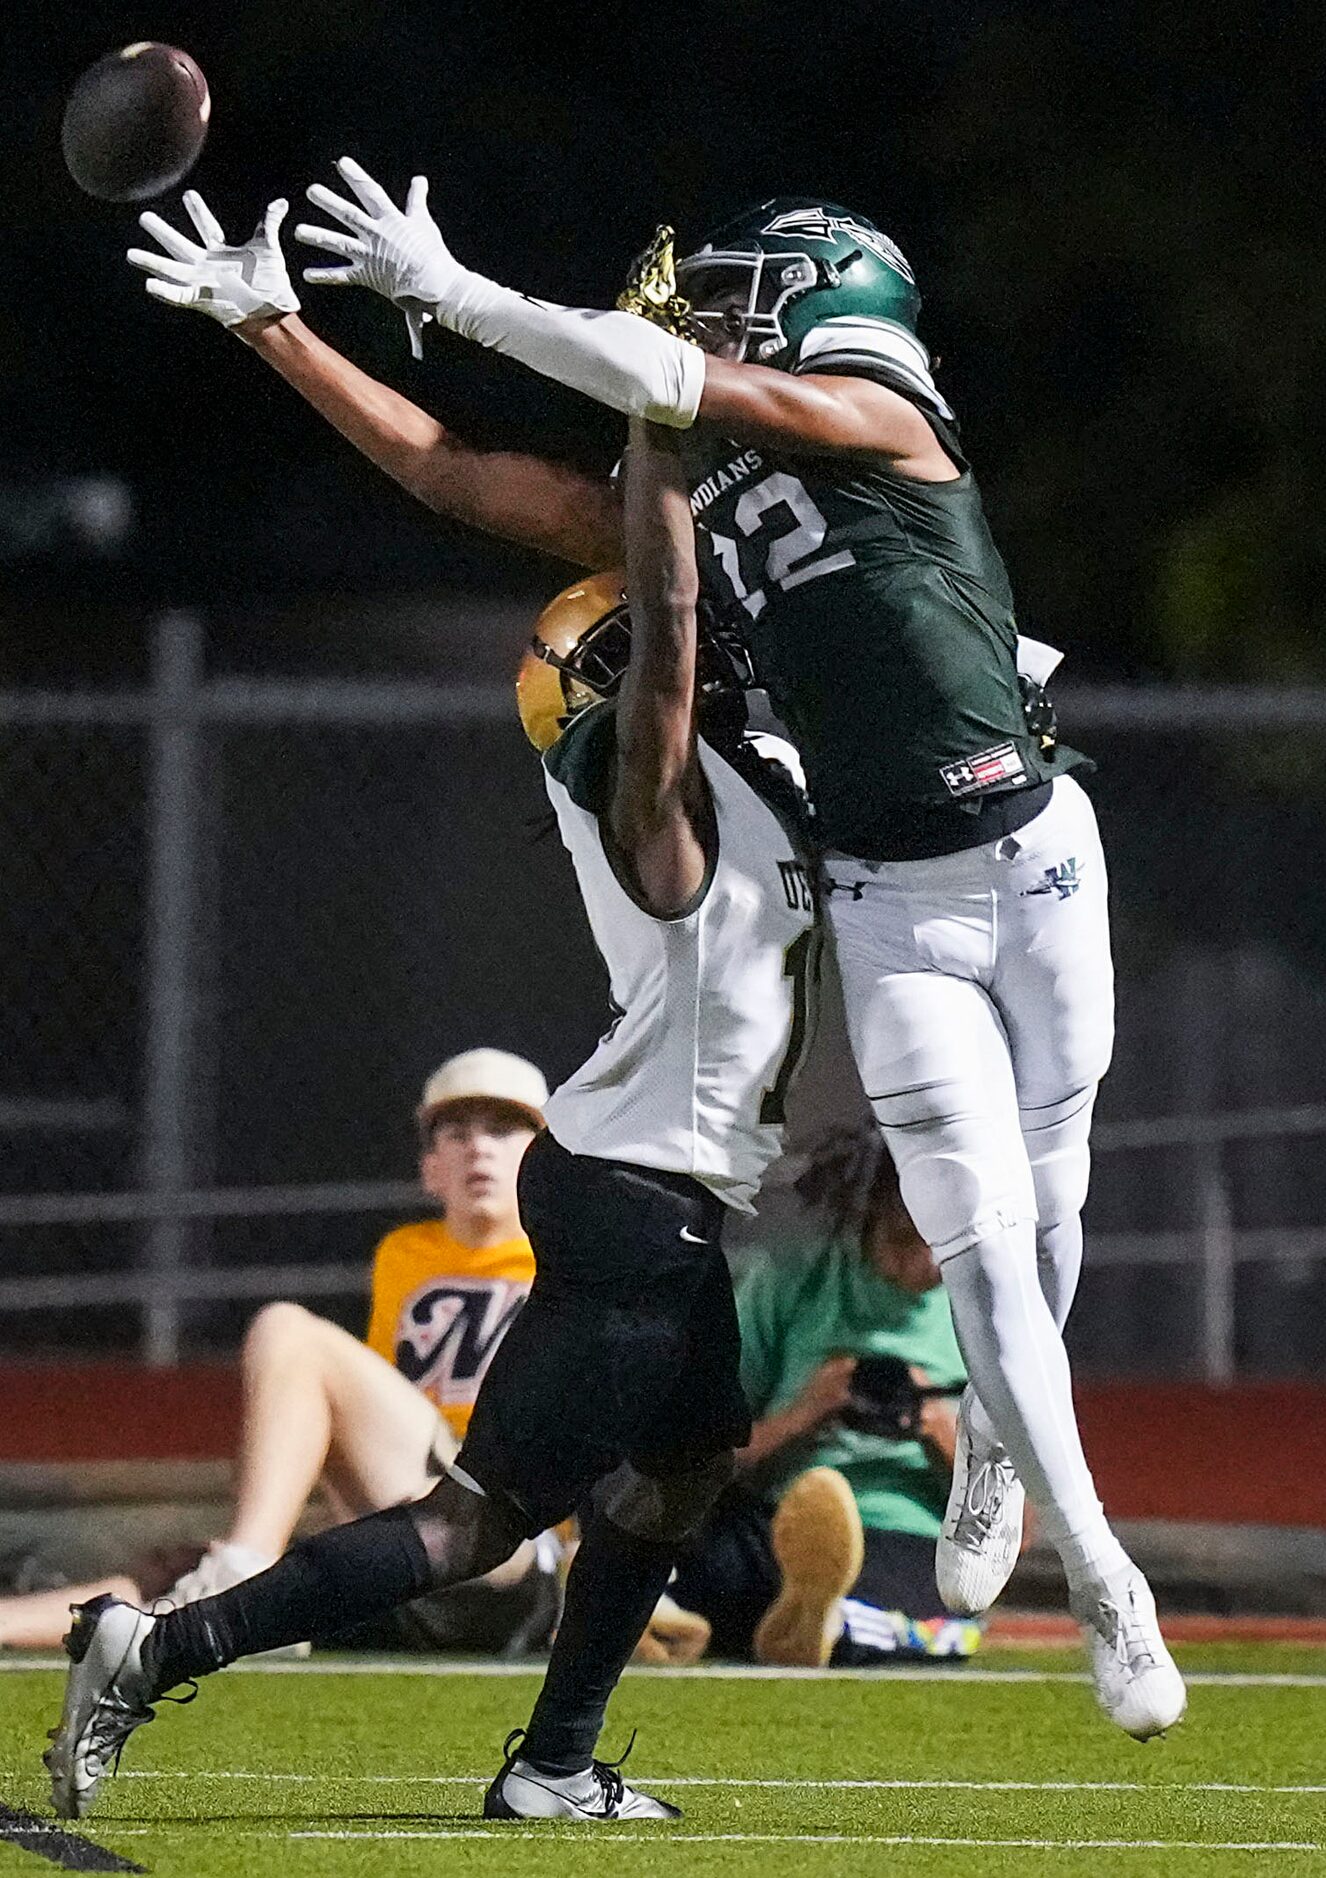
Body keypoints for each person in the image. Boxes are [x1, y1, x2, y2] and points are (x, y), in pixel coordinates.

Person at [121, 172, 1181, 1734]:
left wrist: (377, 311)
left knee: (964, 1262)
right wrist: (330, 324)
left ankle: (597, 1717)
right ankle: (1090, 1577)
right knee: (940, 1254)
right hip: (820, 977)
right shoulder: (659, 733)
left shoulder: (872, 417)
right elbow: (527, 510)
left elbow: (588, 421)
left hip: (980, 888)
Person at [45, 425, 819, 1823]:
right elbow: (675, 632)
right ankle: (155, 1647)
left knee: (690, 1456)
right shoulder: (646, 789)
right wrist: (657, 427)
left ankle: (556, 1760)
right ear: (626, 674)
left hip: (650, 1191)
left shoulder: (708, 789)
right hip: (641, 1198)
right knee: (472, 1525)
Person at [1, 1050, 555, 1656]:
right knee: (170, 1592)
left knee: (288, 1330)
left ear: (549, 1157)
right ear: (430, 1170)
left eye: (504, 1130)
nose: (479, 1149)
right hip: (411, 1541)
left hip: (504, 1537)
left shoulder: (571, 1257)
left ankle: (243, 1569)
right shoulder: (404, 1254)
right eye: (457, 1133)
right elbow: (363, 1429)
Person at [670, 1124, 976, 1669]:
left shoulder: (994, 1319)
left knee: (942, 1619)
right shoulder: (787, 1283)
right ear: (865, 1217)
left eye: (946, 1242)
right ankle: (808, 1620)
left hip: (905, 1532)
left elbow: (1015, 1534)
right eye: (904, 1237)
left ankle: (811, 1621)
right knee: (696, 1543)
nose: (925, 1263)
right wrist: (803, 1415)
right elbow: (696, 1455)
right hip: (775, 1518)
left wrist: (935, 1429)